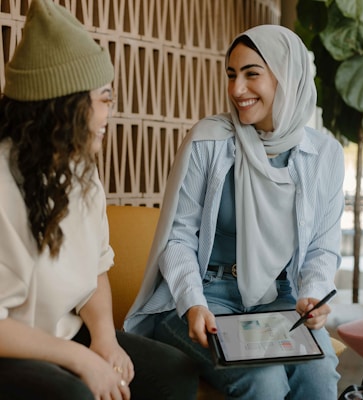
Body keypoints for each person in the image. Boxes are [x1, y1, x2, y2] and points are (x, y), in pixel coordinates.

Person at [124, 24, 344, 400]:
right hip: (206, 297)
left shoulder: (325, 154)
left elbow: (322, 248)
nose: (236, 90)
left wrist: (312, 295)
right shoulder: (209, 140)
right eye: (231, 75)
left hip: (280, 298)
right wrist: (192, 303)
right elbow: (177, 237)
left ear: (286, 78)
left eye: (251, 74)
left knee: (319, 373)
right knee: (264, 379)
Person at [0, 1, 198, 399]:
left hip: (66, 333)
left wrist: (105, 341)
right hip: (12, 349)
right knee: (76, 393)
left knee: (174, 372)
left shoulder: (81, 170)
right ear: (65, 106)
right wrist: (82, 360)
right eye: (104, 99)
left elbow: (95, 273)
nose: (111, 112)